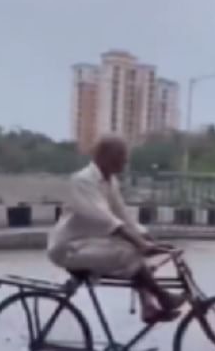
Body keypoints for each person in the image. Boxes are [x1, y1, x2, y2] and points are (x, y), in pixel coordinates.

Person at [48, 136, 186, 323]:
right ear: (104, 156)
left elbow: (123, 215)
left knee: (133, 250)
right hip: (68, 248)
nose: (125, 161)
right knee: (127, 252)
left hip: (89, 244)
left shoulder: (110, 181)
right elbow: (104, 219)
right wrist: (139, 243)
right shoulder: (83, 181)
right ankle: (162, 297)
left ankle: (148, 306)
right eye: (121, 156)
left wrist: (147, 239)